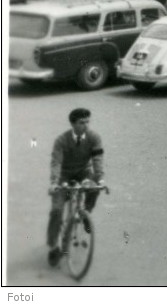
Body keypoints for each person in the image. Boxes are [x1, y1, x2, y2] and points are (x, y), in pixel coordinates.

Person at [47, 108, 105, 266]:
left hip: (83, 172)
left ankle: (85, 213)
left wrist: (100, 178)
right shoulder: (61, 140)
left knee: (94, 188)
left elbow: (98, 158)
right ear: (72, 124)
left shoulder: (94, 137)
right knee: (57, 210)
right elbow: (56, 162)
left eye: (88, 122)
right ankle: (53, 246)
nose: (86, 126)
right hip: (64, 175)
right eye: (81, 123)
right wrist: (54, 182)